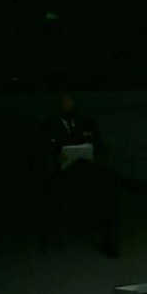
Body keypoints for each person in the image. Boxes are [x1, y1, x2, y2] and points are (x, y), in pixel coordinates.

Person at [36, 92, 121, 257]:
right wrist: (57, 158)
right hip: (63, 173)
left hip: (88, 169)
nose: (67, 103)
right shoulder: (49, 126)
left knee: (107, 182)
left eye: (69, 100)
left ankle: (107, 237)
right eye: (63, 100)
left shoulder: (86, 123)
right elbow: (43, 152)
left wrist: (91, 152)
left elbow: (99, 147)